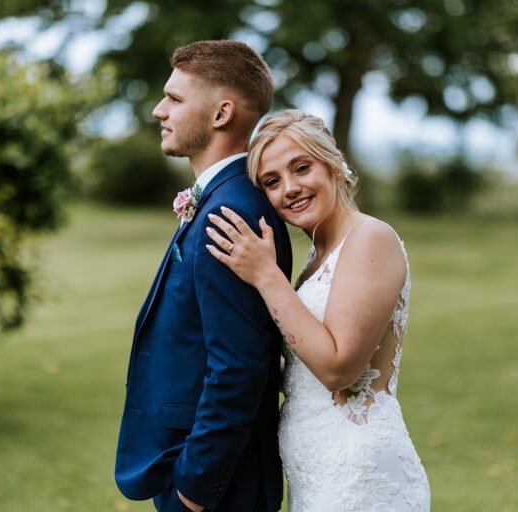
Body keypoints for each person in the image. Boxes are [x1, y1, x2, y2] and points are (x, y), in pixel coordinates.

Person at [205, 110, 431, 511]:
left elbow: (338, 370)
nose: (289, 189)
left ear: (333, 165)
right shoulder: (317, 255)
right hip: (316, 473)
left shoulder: (369, 239)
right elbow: (304, 363)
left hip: (358, 476)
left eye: (301, 168)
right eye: (272, 182)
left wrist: (265, 275)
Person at [114, 41, 292, 512]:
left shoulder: (230, 210)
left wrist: (194, 491)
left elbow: (239, 367)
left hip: (216, 485)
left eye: (174, 99)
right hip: (195, 464)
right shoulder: (221, 198)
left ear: (221, 114)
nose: (158, 110)